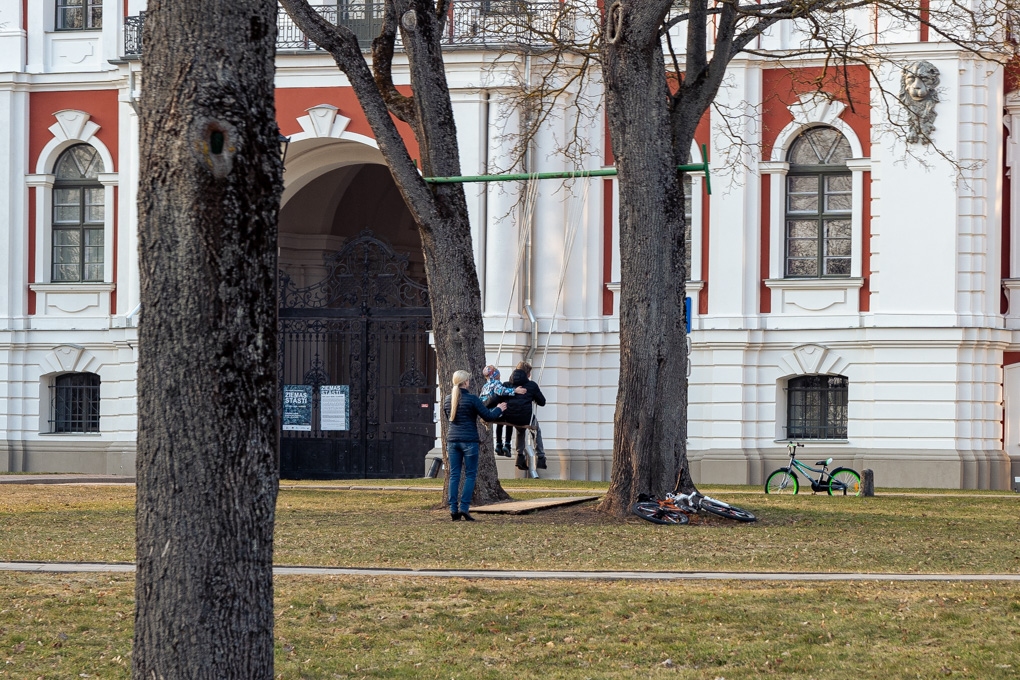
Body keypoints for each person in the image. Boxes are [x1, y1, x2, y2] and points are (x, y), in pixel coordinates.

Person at [443, 369, 507, 521]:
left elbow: (448, 417)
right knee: (470, 475)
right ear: (465, 382)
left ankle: (453, 509)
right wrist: (499, 408)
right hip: (469, 440)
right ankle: (464, 508)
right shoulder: (472, 399)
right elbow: (488, 416)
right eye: (468, 380)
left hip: (452, 440)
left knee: (454, 475)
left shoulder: (448, 399)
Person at [488, 361, 547, 471]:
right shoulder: (532, 385)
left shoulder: (506, 385)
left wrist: (485, 406)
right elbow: (542, 402)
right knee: (536, 429)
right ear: (527, 374)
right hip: (525, 418)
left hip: (509, 417)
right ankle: (541, 457)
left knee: (520, 429)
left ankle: (520, 456)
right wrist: (533, 396)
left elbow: (497, 398)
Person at [479, 365, 526, 457]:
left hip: (487, 410)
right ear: (495, 374)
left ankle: (498, 444)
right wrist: (515, 390)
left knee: (499, 424)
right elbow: (501, 391)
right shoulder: (496, 383)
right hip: (494, 410)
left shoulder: (485, 386)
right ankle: (507, 443)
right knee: (509, 418)